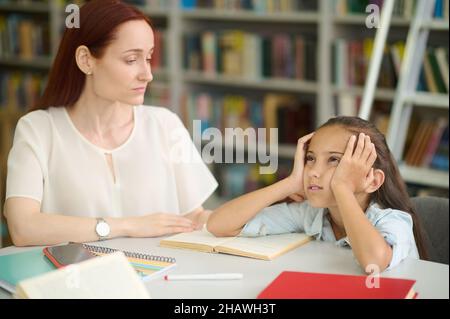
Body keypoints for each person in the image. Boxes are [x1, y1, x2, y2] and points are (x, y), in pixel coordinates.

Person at [4, 0, 217, 246]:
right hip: (76, 281)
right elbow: (23, 227)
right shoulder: (38, 130)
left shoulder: (165, 124)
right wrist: (128, 225)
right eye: (130, 60)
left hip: (159, 280)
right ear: (86, 60)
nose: (147, 74)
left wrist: (251, 220)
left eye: (148, 58)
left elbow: (194, 217)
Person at [207, 116, 428, 272]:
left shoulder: (393, 220)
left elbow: (374, 262)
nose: (313, 172)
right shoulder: (314, 215)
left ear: (373, 181)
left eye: (334, 160)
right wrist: (290, 183)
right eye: (311, 158)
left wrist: (342, 187)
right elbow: (219, 225)